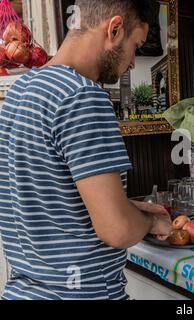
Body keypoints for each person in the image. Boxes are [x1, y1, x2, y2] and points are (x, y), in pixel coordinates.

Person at [0, 0, 172, 300]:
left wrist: (132, 207)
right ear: (115, 29)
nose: (133, 62)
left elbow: (52, 201)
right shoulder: (82, 95)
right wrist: (151, 221)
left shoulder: (21, 91)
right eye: (137, 45)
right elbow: (116, 230)